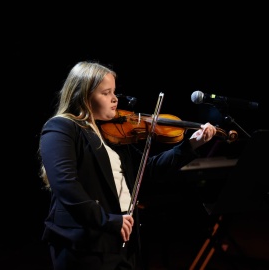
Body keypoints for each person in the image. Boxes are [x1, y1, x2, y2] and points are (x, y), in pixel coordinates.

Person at [37, 61, 217, 270]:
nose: (114, 99)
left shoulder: (113, 133)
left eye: (114, 92)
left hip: (122, 240)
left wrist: (192, 144)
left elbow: (149, 169)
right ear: (83, 95)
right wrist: (108, 221)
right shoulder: (62, 127)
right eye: (106, 93)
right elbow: (65, 186)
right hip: (84, 244)